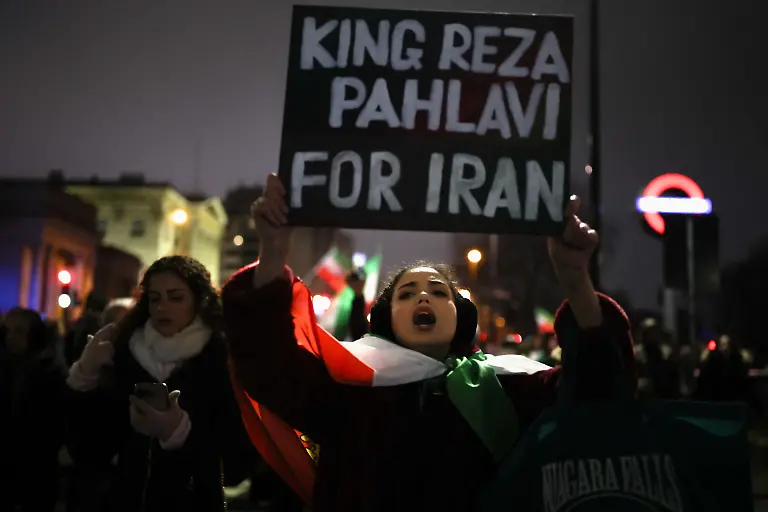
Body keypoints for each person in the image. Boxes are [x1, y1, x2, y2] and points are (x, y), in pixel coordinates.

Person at [222, 174, 636, 512]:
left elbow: (597, 393)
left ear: (459, 316)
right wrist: (274, 251)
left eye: (439, 292)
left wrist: (575, 279)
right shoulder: (348, 384)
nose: (423, 297)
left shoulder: (506, 384)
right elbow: (267, 365)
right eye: (407, 293)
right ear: (386, 318)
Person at [65, 256, 250, 512]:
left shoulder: (221, 360)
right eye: (155, 298)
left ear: (198, 300)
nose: (163, 307)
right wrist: (84, 376)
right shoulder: (125, 353)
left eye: (175, 297)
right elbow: (88, 449)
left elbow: (236, 464)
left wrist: (179, 434)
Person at [0, 307, 67, 512]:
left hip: (36, 468)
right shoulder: (6, 366)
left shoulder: (49, 371)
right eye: (7, 331)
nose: (12, 337)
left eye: (19, 331)